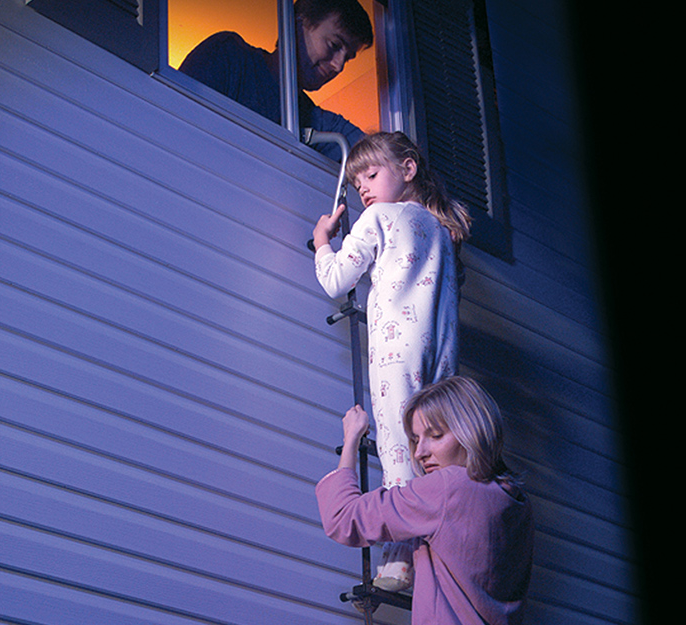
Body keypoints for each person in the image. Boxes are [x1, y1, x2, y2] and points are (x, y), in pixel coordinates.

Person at [312, 131, 471, 591]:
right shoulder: (441, 229)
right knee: (432, 452)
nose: (362, 188)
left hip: (396, 351)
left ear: (407, 169)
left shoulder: (380, 216)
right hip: (441, 357)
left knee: (397, 449)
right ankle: (434, 553)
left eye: (371, 174)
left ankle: (399, 558)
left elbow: (337, 281)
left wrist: (323, 241)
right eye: (357, 180)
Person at [316, 376, 534, 624]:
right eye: (416, 439)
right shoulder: (517, 502)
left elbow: (343, 517)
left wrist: (351, 440)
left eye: (436, 435)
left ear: (471, 432)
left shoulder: (448, 487)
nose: (420, 453)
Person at [178, 0, 373, 161]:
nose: (338, 66)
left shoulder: (318, 121)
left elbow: (380, 158)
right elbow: (177, 126)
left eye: (347, 58)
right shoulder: (229, 56)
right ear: (297, 24)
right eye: (334, 45)